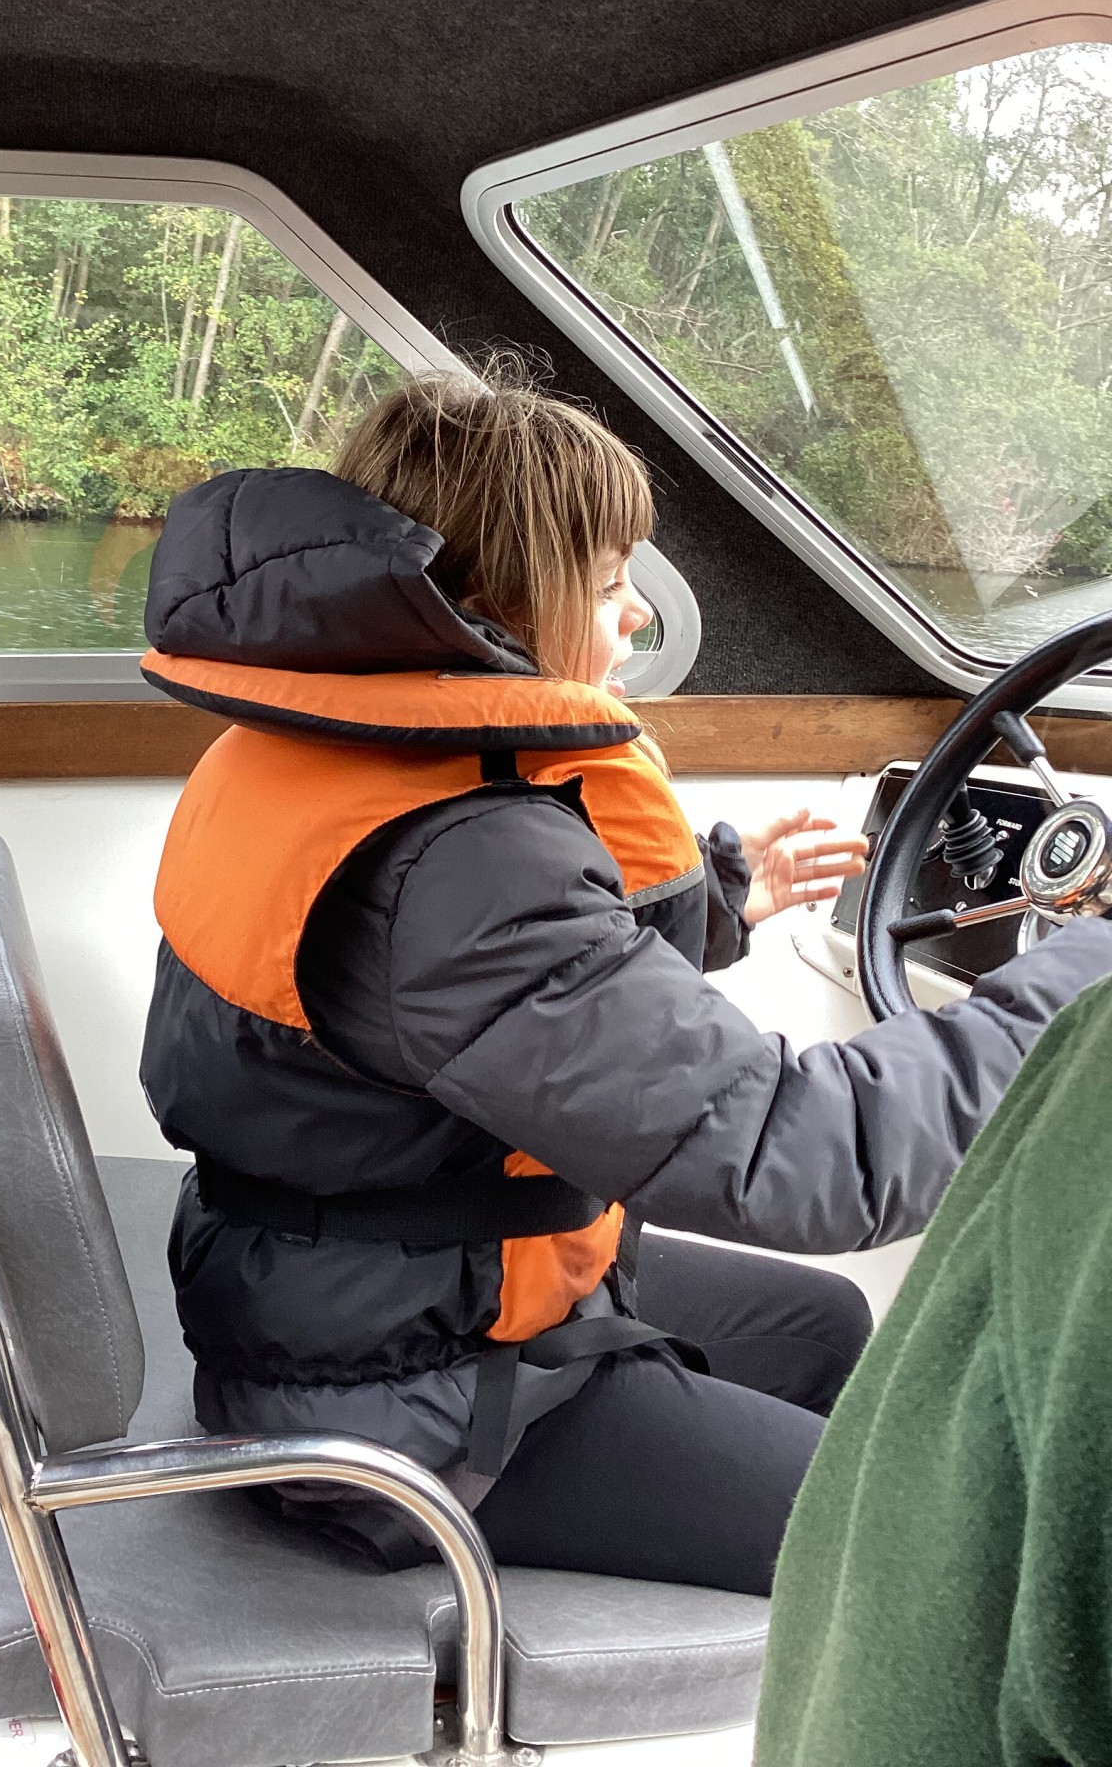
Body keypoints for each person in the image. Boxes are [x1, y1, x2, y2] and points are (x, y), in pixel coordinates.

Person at [137, 366, 1112, 1594]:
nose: (637, 619)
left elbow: (464, 1003)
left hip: (331, 1297)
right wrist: (1086, 967)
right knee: (953, 1545)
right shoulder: (461, 861)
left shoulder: (319, 741)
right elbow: (805, 1156)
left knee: (823, 1327)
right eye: (609, 585)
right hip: (399, 1402)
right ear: (497, 603)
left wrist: (716, 898)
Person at [754, 969, 1112, 1767]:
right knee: (819, 1497)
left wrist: (717, 901)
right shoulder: (491, 862)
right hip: (445, 1374)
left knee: (831, 1325)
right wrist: (1072, 976)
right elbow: (788, 1150)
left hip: (483, 1311)